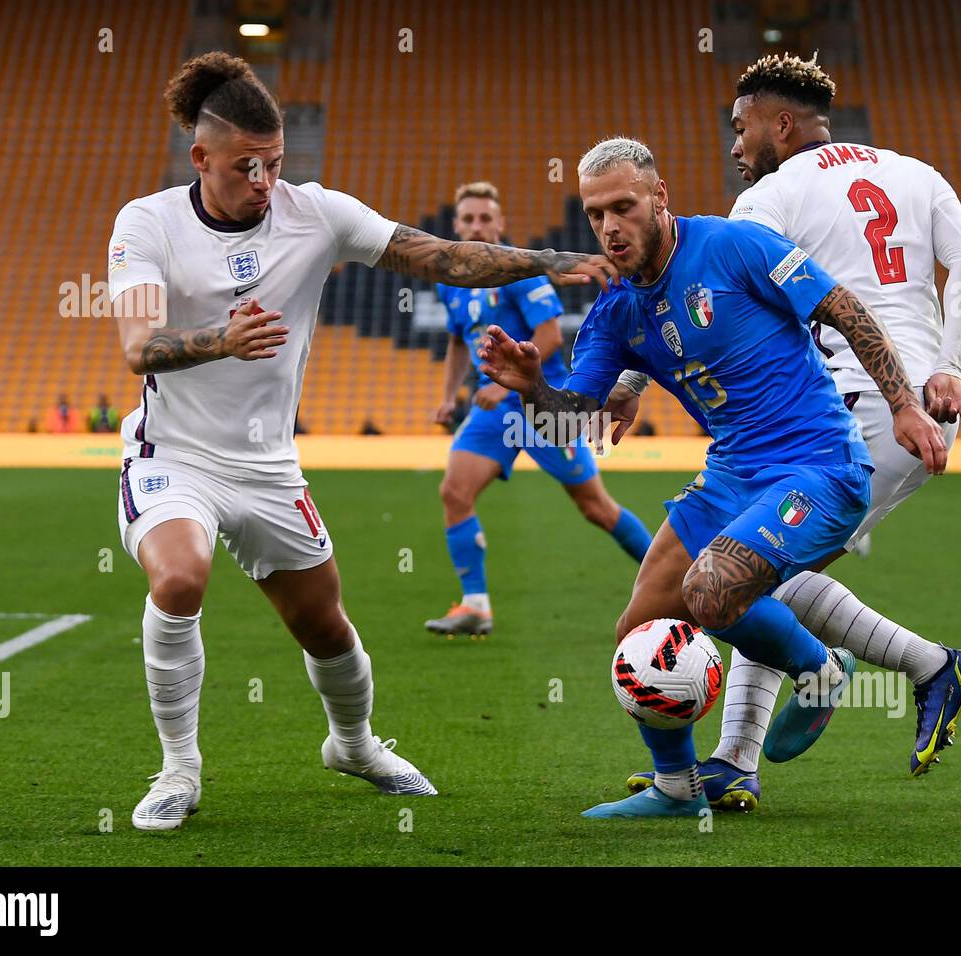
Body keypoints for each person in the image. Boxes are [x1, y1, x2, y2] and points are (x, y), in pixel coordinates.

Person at [109, 52, 616, 830]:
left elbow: (439, 256)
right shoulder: (148, 223)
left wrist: (557, 261)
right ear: (199, 157)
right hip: (172, 455)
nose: (263, 181)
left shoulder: (318, 214)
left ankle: (353, 745)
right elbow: (139, 346)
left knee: (326, 625)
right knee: (179, 581)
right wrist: (221, 338)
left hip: (268, 466)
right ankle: (178, 769)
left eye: (274, 163)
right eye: (245, 165)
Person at [479, 138, 961, 819]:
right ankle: (677, 789)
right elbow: (572, 421)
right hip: (731, 474)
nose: (609, 227)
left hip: (818, 466)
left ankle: (820, 671)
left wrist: (905, 406)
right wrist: (532, 386)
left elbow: (846, 310)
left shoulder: (736, 247)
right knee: (637, 627)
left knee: (709, 591)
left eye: (623, 206)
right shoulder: (618, 310)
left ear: (660, 197)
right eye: (595, 215)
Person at [612, 52, 961, 808]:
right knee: (765, 571)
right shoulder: (916, 172)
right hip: (913, 405)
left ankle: (925, 666)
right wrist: (951, 364)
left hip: (848, 411)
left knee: (744, 573)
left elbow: (702, 285)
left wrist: (627, 378)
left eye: (740, 127)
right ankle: (735, 764)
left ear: (779, 125)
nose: (733, 147)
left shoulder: (775, 195)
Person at [424, 181, 653, 638]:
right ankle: (475, 606)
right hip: (492, 410)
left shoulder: (519, 272)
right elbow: (456, 339)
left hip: (541, 407)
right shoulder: (452, 280)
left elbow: (549, 335)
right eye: (468, 219)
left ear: (500, 223)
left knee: (596, 509)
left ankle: (671, 579)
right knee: (454, 492)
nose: (477, 226)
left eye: (485, 218)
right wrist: (450, 395)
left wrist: (512, 382)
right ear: (455, 225)